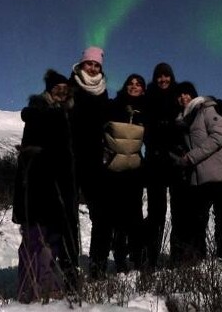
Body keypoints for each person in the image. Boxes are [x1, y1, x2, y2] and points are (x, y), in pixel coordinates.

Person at [13, 69, 79, 303]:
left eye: (65, 89)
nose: (61, 93)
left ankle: (48, 288)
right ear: (49, 91)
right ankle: (29, 291)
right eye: (56, 89)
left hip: (59, 190)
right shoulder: (40, 113)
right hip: (38, 188)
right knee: (35, 240)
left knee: (52, 242)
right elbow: (33, 154)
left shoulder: (66, 115)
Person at [174, 81, 222, 265]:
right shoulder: (186, 119)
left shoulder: (207, 110)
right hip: (203, 177)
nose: (183, 98)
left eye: (186, 94)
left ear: (194, 95)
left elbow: (218, 138)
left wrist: (190, 158)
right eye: (179, 95)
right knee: (198, 221)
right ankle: (200, 261)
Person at [69, 46, 110, 279]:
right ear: (82, 64)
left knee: (101, 214)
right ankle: (67, 263)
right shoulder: (69, 87)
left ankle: (98, 264)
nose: (93, 68)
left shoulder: (103, 92)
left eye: (97, 65)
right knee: (68, 216)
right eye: (89, 64)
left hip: (94, 160)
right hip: (71, 159)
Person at [143, 62, 188, 266]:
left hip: (176, 161)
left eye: (166, 76)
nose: (163, 79)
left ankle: (177, 258)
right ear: (155, 78)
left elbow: (197, 102)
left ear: (171, 77)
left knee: (180, 211)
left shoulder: (179, 96)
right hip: (155, 160)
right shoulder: (148, 96)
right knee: (155, 213)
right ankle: (151, 257)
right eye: (159, 76)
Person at [103, 73, 147, 271]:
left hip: (136, 170)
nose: (134, 86)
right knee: (118, 215)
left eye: (138, 84)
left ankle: (137, 257)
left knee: (135, 215)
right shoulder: (115, 106)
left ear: (144, 89)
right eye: (130, 83)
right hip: (114, 169)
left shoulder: (147, 110)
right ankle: (120, 258)